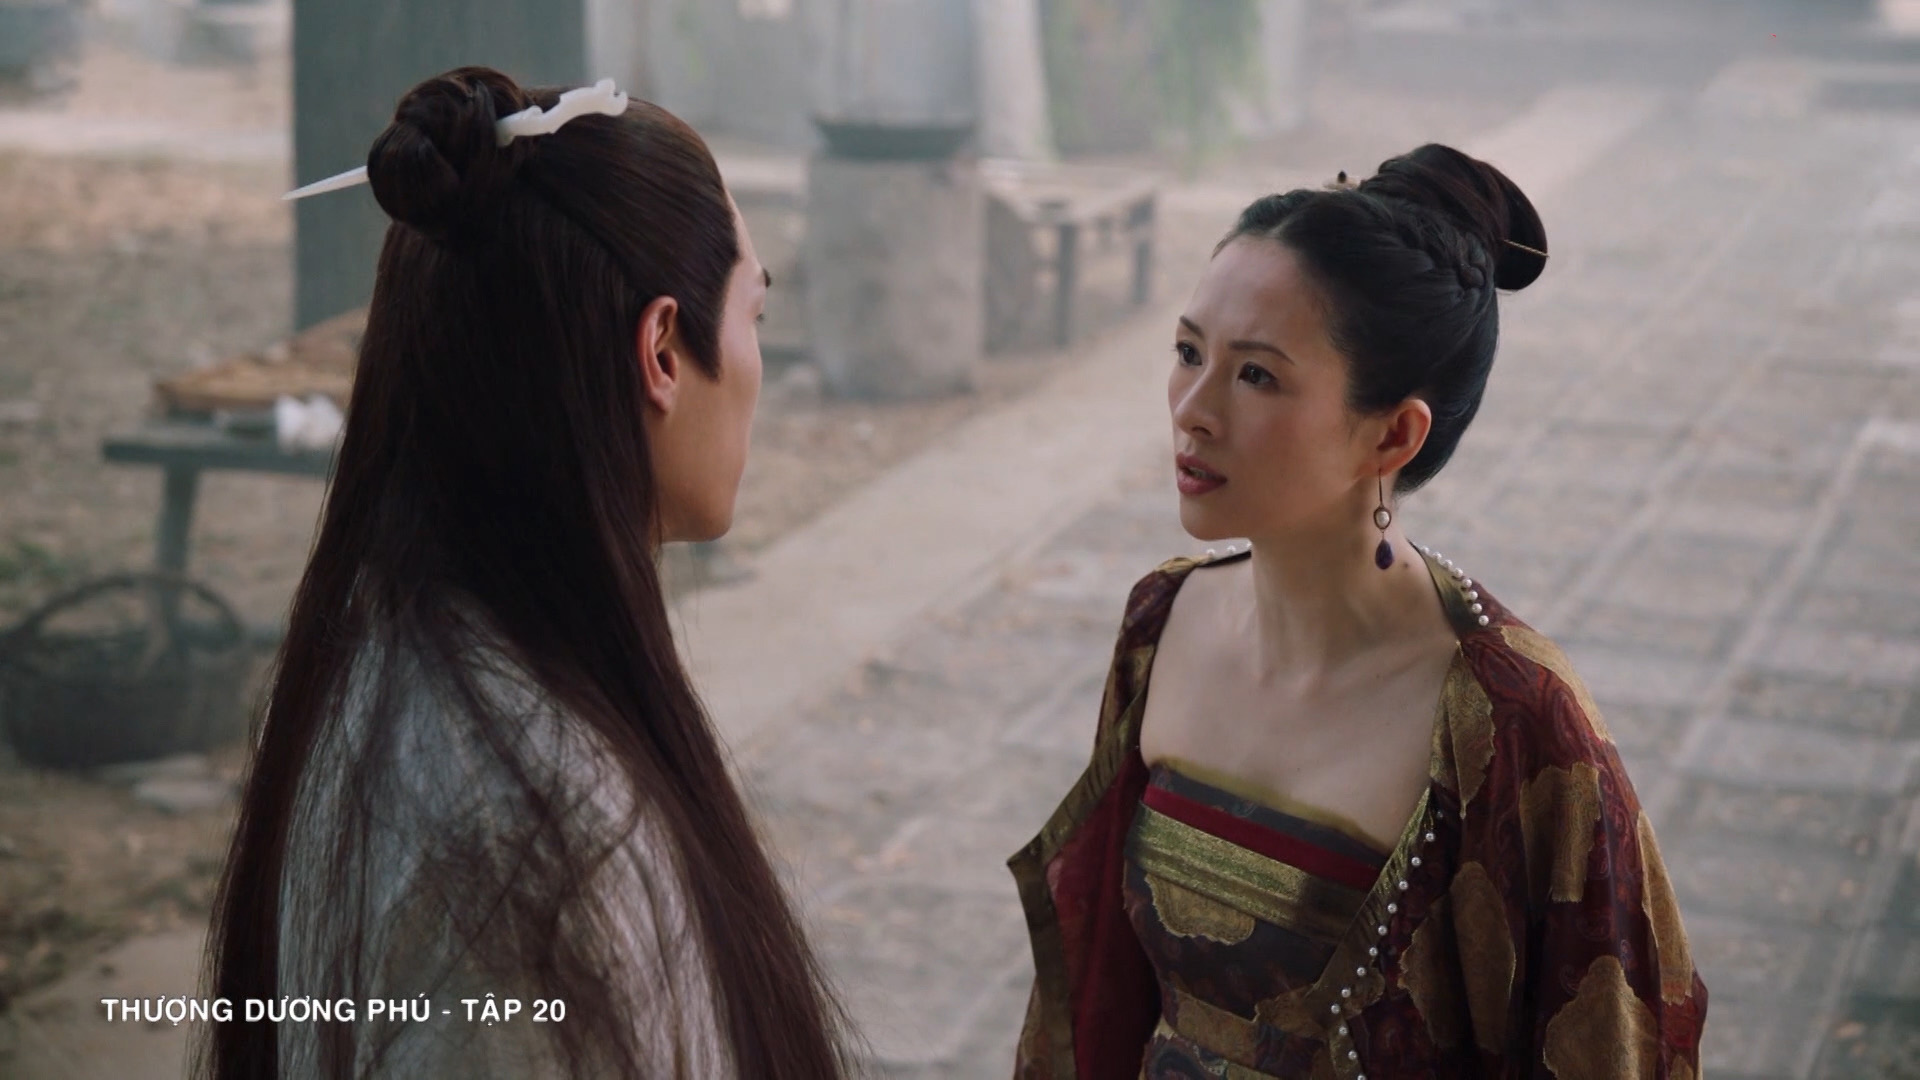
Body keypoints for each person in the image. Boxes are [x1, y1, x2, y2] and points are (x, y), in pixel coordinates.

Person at [196, 67, 853, 1079]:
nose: (756, 359)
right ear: (662, 351)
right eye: (752, 316)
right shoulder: (537, 844)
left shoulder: (389, 659)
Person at [1007, 145, 1707, 1078]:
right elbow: (1102, 991)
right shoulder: (1164, 622)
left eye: (1256, 376)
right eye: (1188, 353)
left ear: (1393, 434)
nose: (1194, 410)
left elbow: (1606, 1045)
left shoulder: (1509, 717)